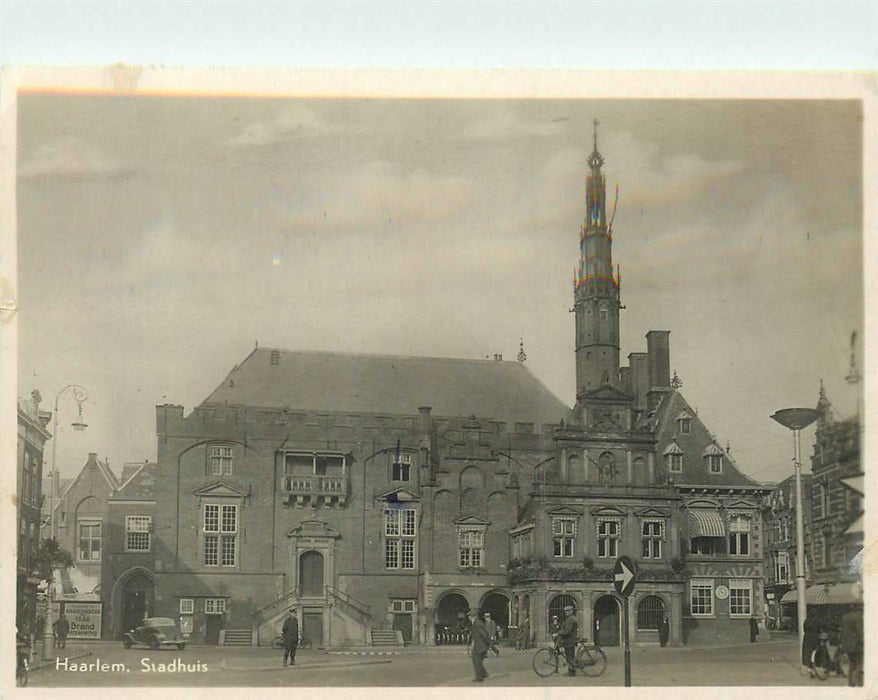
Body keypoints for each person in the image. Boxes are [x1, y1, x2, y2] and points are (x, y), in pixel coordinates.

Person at [840, 605, 863, 687]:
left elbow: (843, 632)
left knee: (852, 664)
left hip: (848, 645)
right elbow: (860, 632)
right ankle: (860, 683)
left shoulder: (845, 617)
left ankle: (851, 683)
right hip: (857, 645)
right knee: (860, 664)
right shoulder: (859, 617)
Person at [469, 610, 491, 682]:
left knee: (476, 660)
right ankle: (483, 673)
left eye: (470, 616)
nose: (469, 617)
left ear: (473, 616)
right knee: (478, 661)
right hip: (479, 645)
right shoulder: (476, 623)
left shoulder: (477, 623)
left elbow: (483, 634)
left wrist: (487, 644)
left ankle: (479, 677)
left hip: (480, 645)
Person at [557, 605, 579, 677]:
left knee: (570, 657)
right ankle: (571, 671)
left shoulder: (571, 619)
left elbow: (567, 631)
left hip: (569, 640)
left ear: (571, 611)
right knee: (569, 657)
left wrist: (559, 633)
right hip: (569, 640)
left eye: (568, 611)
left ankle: (572, 673)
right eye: (565, 611)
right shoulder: (570, 619)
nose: (566, 612)